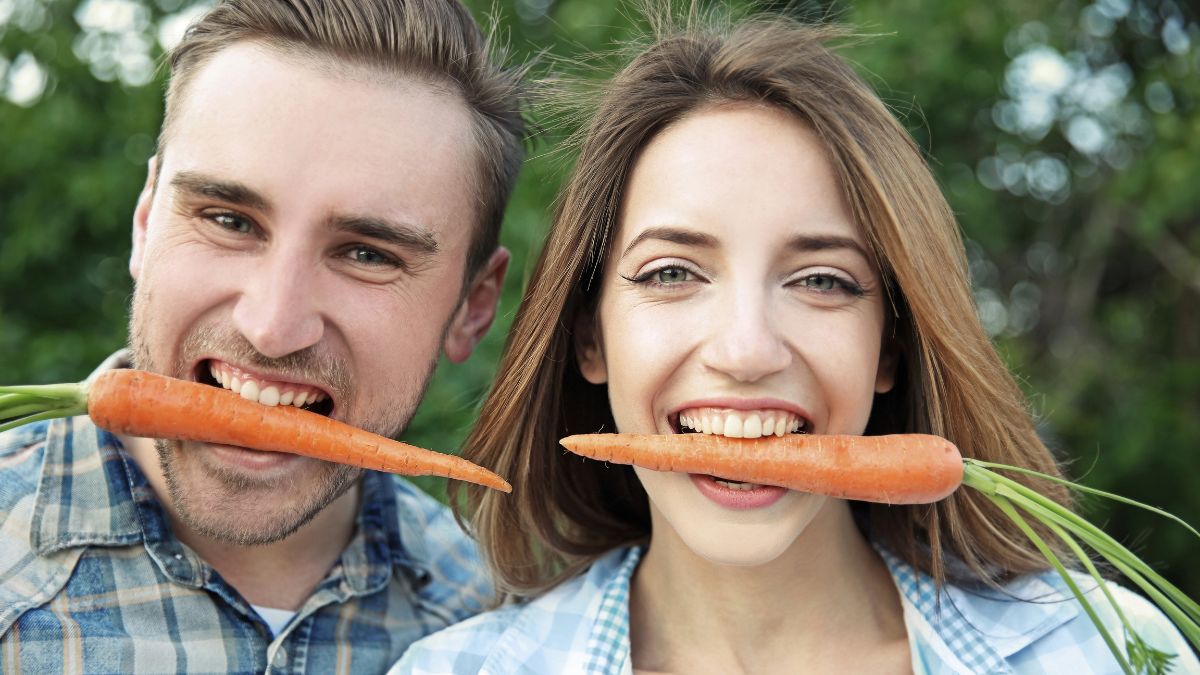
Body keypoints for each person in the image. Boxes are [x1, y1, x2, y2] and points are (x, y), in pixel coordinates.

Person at [393, 9, 1197, 675]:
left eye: (823, 281)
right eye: (672, 272)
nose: (746, 352)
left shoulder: (1101, 651)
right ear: (589, 336)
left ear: (889, 348)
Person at [0, 0, 524, 672]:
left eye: (367, 254)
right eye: (228, 219)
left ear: (473, 307)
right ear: (144, 220)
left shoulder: (500, 623)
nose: (273, 327)